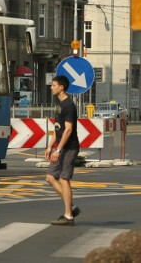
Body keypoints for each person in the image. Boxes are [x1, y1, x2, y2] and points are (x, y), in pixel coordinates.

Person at [45, 75, 81, 226]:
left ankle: (68, 216)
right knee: (50, 177)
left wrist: (57, 150)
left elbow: (68, 130)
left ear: (61, 87)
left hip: (69, 148)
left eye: (53, 85)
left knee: (64, 179)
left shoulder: (69, 106)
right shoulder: (60, 104)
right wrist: (49, 146)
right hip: (60, 147)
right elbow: (58, 128)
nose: (51, 87)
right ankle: (71, 207)